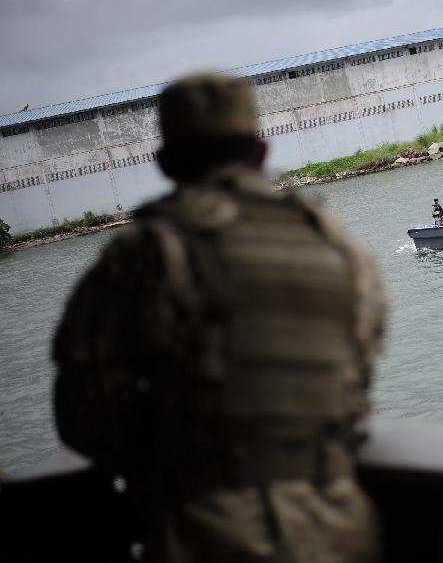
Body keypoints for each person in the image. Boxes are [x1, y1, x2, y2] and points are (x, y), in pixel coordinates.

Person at [52, 72, 385, 563]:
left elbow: (84, 415)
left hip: (204, 533)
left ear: (166, 164)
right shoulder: (336, 244)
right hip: (338, 530)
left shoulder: (147, 252)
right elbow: (358, 375)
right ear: (260, 153)